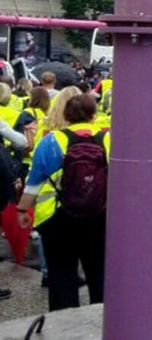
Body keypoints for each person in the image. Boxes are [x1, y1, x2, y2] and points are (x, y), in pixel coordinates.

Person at [16, 95, 107, 311]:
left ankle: (64, 326)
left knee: (61, 274)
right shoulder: (108, 140)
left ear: (66, 115)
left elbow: (34, 182)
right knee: (99, 272)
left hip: (57, 219)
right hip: (100, 217)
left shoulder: (50, 141)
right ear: (94, 115)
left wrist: (22, 210)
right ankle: (102, 322)